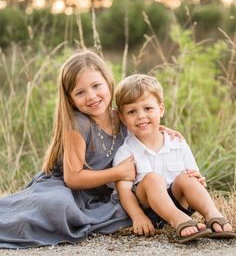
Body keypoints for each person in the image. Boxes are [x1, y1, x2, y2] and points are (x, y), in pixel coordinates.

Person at [0, 50, 180, 249]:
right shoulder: (79, 125)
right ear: (70, 100)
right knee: (58, 206)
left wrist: (160, 129)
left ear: (108, 81)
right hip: (66, 188)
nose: (92, 96)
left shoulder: (120, 116)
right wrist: (118, 172)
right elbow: (72, 178)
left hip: (103, 193)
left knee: (134, 204)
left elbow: (141, 122)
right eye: (80, 92)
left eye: (96, 86)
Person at [113, 74, 236, 243]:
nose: (141, 116)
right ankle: (177, 219)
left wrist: (199, 180)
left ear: (161, 109)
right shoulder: (126, 151)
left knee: (187, 177)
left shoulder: (176, 142)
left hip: (180, 203)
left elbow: (194, 176)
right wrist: (138, 216)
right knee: (152, 179)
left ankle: (212, 214)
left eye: (148, 109)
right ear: (122, 117)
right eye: (132, 111)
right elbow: (124, 191)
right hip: (150, 210)